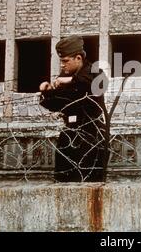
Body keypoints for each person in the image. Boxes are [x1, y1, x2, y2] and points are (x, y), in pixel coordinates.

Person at [39, 35, 109, 182]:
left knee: (89, 183)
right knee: (63, 181)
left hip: (92, 137)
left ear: (78, 58)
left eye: (65, 61)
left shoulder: (94, 71)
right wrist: (45, 91)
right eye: (61, 61)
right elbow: (54, 104)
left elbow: (100, 84)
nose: (62, 66)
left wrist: (70, 80)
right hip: (69, 135)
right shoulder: (64, 76)